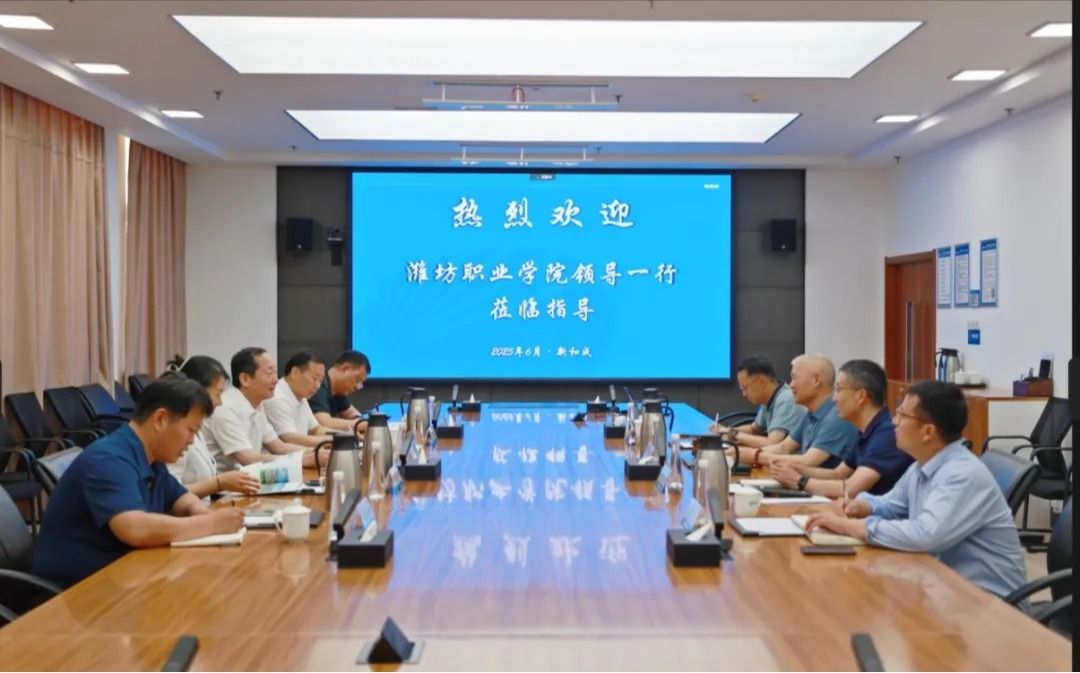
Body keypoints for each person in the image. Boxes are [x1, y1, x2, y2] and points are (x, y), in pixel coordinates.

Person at [805, 380, 1027, 599]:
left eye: (902, 415)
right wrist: (862, 505)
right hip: (942, 586)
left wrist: (852, 526)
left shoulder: (962, 475)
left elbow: (926, 534)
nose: (894, 422)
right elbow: (892, 505)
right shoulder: (922, 464)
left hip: (987, 602)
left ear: (928, 431)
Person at [31, 376, 245, 587]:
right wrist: (210, 524)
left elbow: (181, 498)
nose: (192, 441)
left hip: (121, 574)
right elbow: (134, 528)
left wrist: (203, 513)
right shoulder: (109, 458)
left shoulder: (151, 456)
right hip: (75, 590)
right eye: (191, 430)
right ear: (160, 419)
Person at [770, 359, 912, 498]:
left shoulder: (887, 434)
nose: (834, 399)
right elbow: (838, 474)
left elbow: (850, 488)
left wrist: (799, 481)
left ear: (860, 396)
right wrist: (793, 468)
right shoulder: (865, 430)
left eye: (838, 390)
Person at [203, 347, 330, 472]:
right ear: (245, 379)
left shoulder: (258, 405)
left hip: (246, 478)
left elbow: (278, 447)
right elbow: (248, 458)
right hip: (223, 483)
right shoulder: (225, 409)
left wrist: (317, 453)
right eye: (269, 373)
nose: (276, 380)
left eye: (275, 373)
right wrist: (302, 459)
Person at [732, 354, 857, 469]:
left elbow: (807, 461)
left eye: (794, 378)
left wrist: (754, 456)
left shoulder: (836, 415)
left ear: (816, 380)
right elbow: (783, 448)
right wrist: (738, 452)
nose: (791, 385)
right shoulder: (811, 414)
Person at [164, 355, 259, 498]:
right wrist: (219, 483)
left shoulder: (198, 427)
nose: (220, 402)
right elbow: (168, 494)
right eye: (218, 394)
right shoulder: (175, 433)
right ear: (197, 391)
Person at [710, 355, 806, 449]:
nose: (744, 394)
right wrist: (725, 431)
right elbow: (754, 429)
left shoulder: (786, 400)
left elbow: (772, 444)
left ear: (762, 382)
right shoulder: (770, 398)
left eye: (745, 388)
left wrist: (733, 433)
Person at [262, 349, 335, 448]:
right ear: (295, 372)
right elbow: (290, 438)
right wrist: (334, 440)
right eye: (314, 378)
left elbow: (316, 429)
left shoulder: (301, 396)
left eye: (320, 380)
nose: (317, 385)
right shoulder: (276, 398)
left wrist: (344, 436)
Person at [310, 350, 371, 434]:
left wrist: (359, 420)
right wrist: (362, 424)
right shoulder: (317, 386)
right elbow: (325, 423)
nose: (357, 387)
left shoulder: (338, 391)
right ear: (345, 368)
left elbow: (352, 413)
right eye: (357, 380)